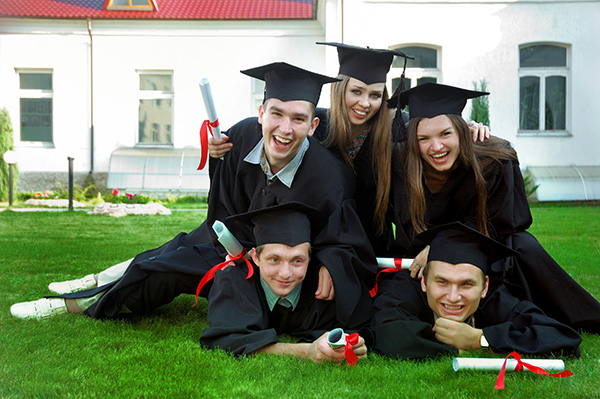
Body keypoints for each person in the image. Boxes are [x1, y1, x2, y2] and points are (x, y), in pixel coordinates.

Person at [10, 62, 377, 328]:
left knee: (162, 269)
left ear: (313, 125)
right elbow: (223, 199)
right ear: (261, 111)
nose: (284, 128)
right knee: (171, 250)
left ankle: (67, 306)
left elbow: (345, 239)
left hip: (268, 267)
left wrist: (331, 261)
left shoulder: (331, 178)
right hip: (229, 241)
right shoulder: (243, 135)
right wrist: (220, 160)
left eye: (298, 119)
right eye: (276, 114)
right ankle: (92, 281)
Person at [209, 42, 490, 255]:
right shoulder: (315, 123)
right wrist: (219, 146)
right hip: (317, 240)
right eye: (356, 91)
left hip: (372, 244)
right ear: (340, 88)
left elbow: (434, 135)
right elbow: (276, 125)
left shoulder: (398, 131)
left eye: (375, 95)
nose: (365, 103)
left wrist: (466, 129)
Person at [387, 82, 600, 334]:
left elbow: (505, 222)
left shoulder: (494, 161)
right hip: (423, 268)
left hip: (486, 254)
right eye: (424, 138)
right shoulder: (400, 164)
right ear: (414, 140)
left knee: (522, 244)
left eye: (445, 134)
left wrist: (439, 246)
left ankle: (576, 316)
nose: (436, 147)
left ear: (462, 132)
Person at [368, 222, 582, 359]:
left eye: (466, 284)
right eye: (441, 282)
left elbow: (564, 339)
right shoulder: (403, 290)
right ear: (423, 282)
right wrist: (450, 346)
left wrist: (480, 339)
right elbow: (386, 332)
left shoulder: (496, 301)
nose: (453, 297)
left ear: (485, 286)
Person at [200, 202, 368, 363]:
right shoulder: (234, 281)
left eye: (297, 261)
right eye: (274, 259)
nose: (285, 274)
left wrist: (354, 345)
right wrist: (307, 351)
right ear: (256, 258)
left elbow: (359, 325)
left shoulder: (327, 286)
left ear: (310, 259)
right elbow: (226, 342)